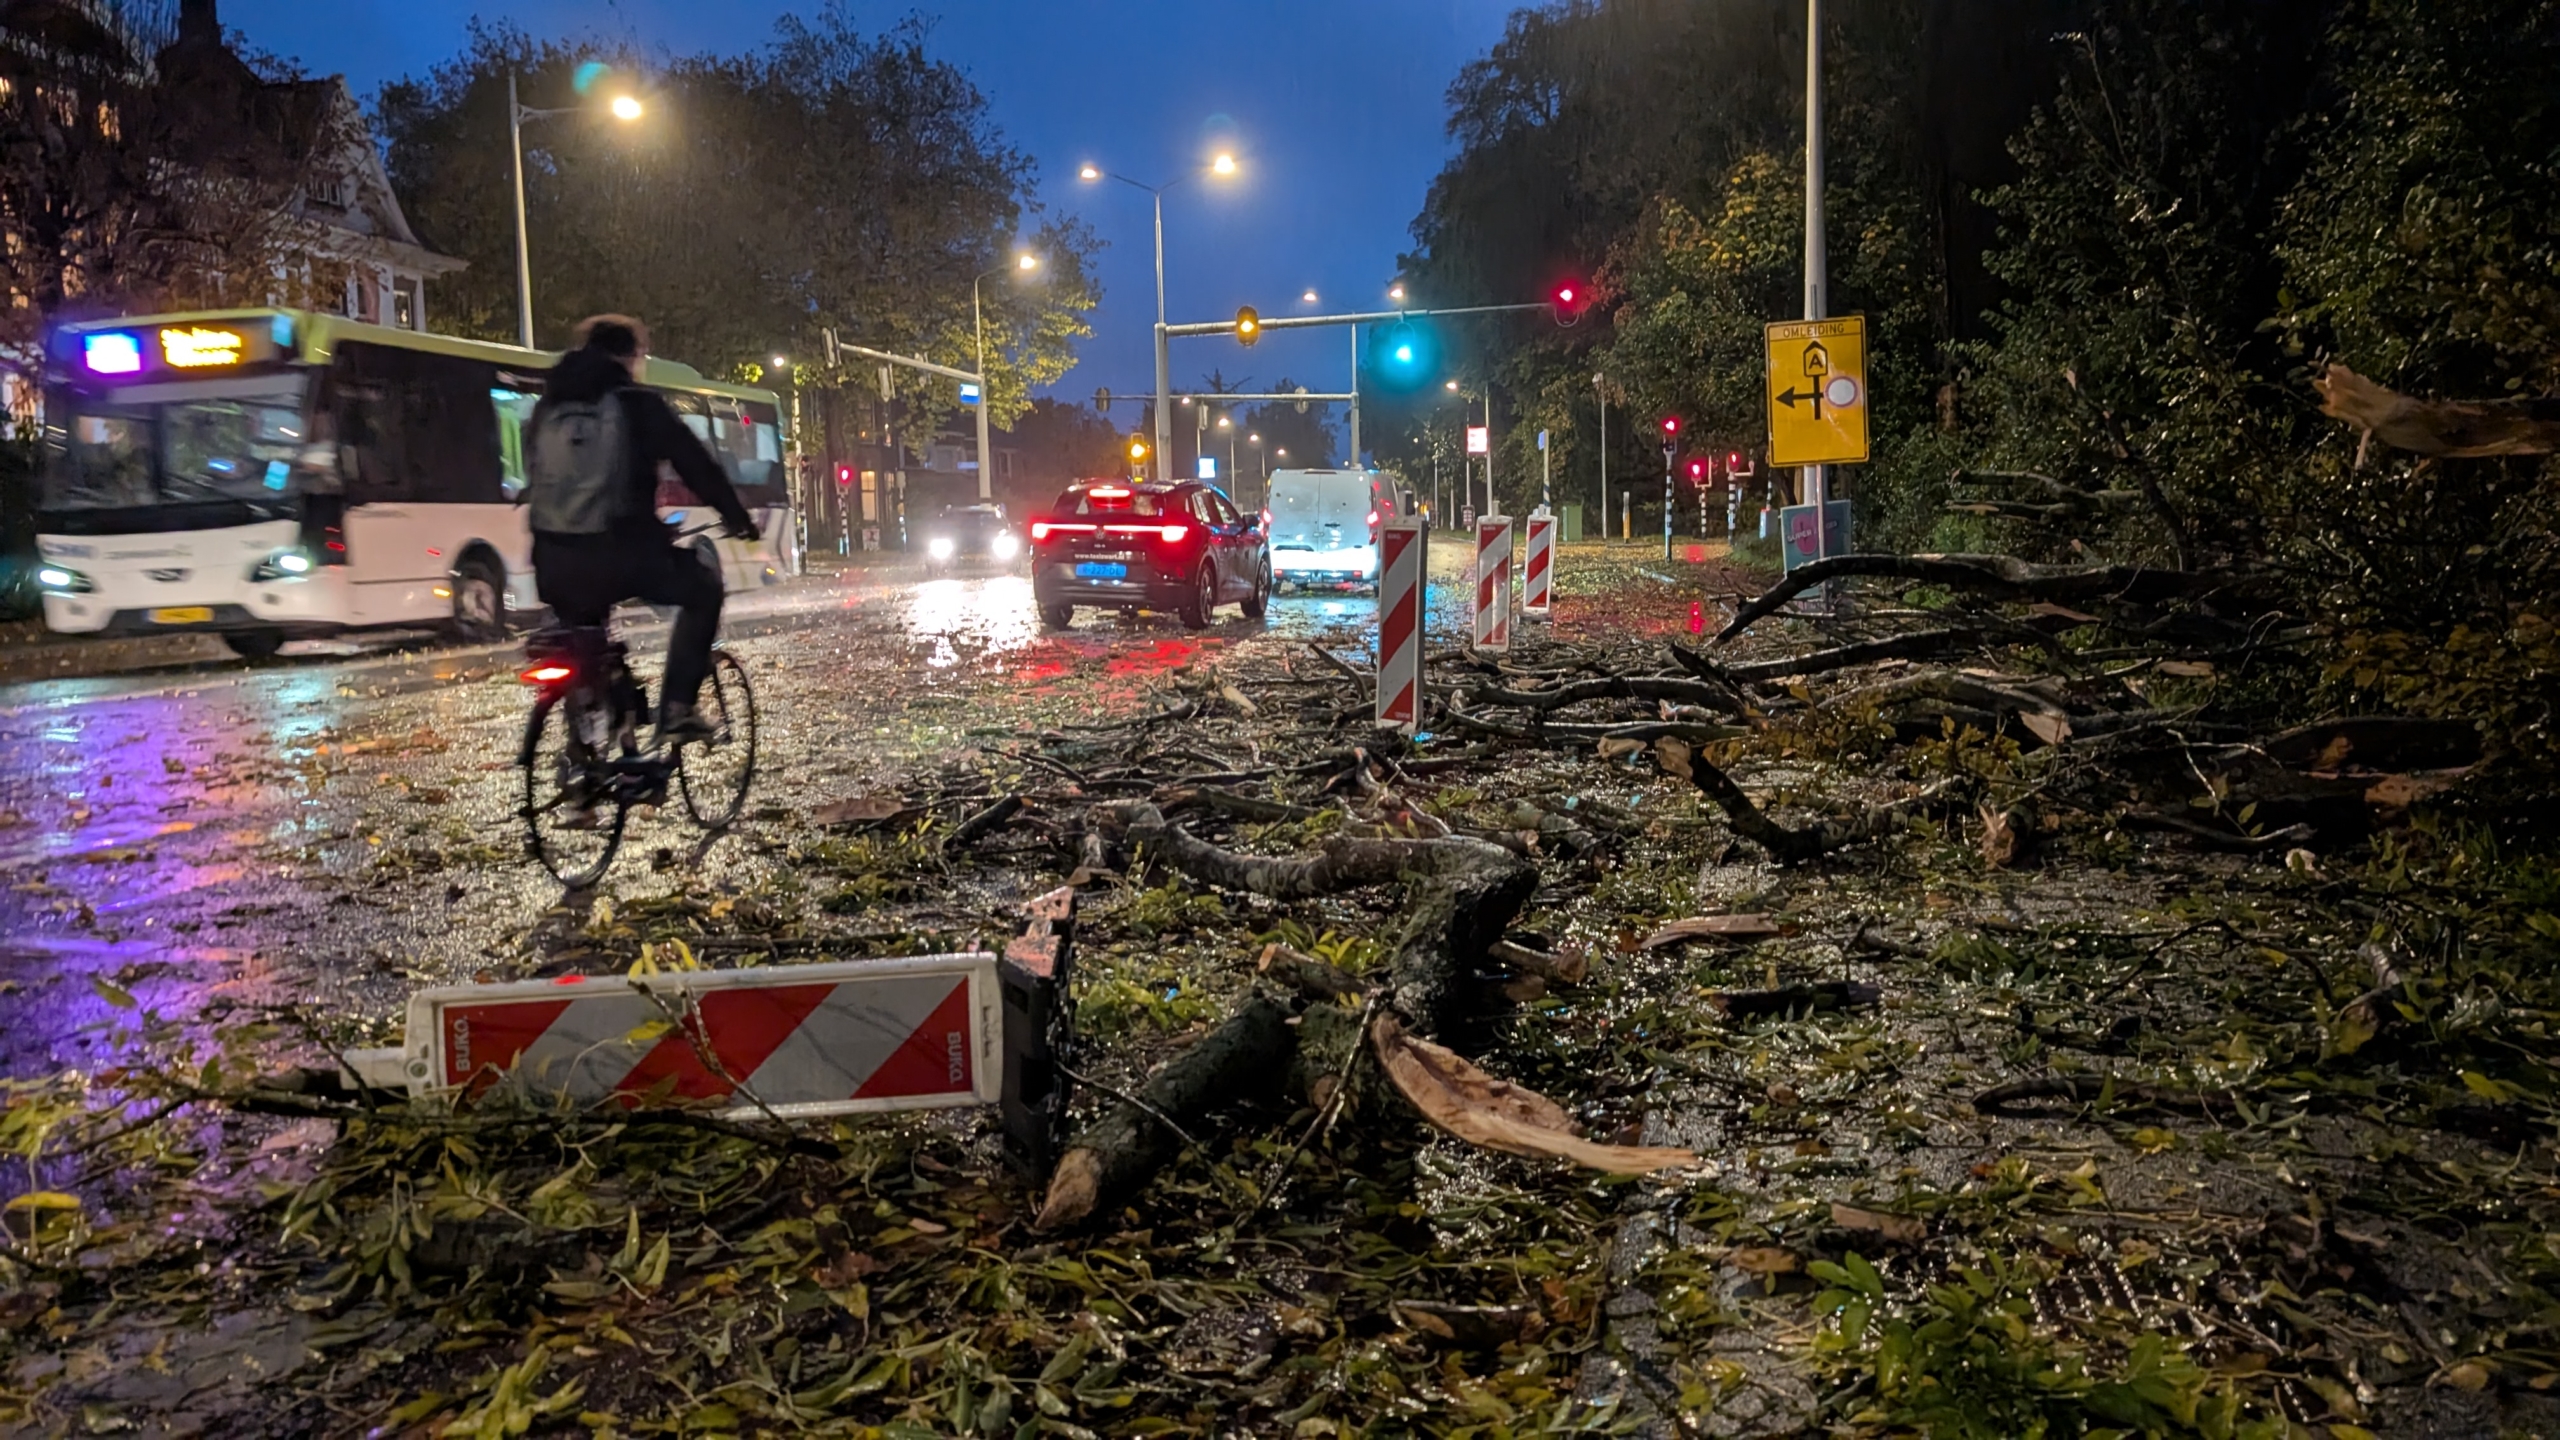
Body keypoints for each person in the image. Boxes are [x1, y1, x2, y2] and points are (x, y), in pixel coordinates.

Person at [524, 315, 759, 747]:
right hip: (624, 556)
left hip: (553, 563)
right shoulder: (635, 401)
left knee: (586, 639)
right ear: (631, 356)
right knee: (704, 588)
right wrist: (735, 514)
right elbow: (694, 462)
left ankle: (583, 762)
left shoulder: (546, 408)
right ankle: (677, 709)